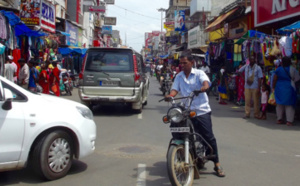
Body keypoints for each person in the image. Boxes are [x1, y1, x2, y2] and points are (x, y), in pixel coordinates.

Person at [165, 55, 225, 177]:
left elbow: (206, 82)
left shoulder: (199, 73)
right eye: (180, 63)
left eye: (185, 63)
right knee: (177, 129)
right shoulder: (179, 76)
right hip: (186, 110)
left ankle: (217, 163)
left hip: (201, 110)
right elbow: (175, 90)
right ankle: (183, 153)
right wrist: (170, 95)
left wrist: (204, 87)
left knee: (208, 137)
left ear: (192, 62)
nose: (182, 65)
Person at [272, 56, 300, 126]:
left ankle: (279, 119)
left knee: (279, 104)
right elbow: (297, 78)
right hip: (289, 87)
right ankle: (289, 121)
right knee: (289, 105)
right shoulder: (292, 69)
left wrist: (273, 87)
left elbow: (274, 79)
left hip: (279, 87)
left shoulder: (278, 69)